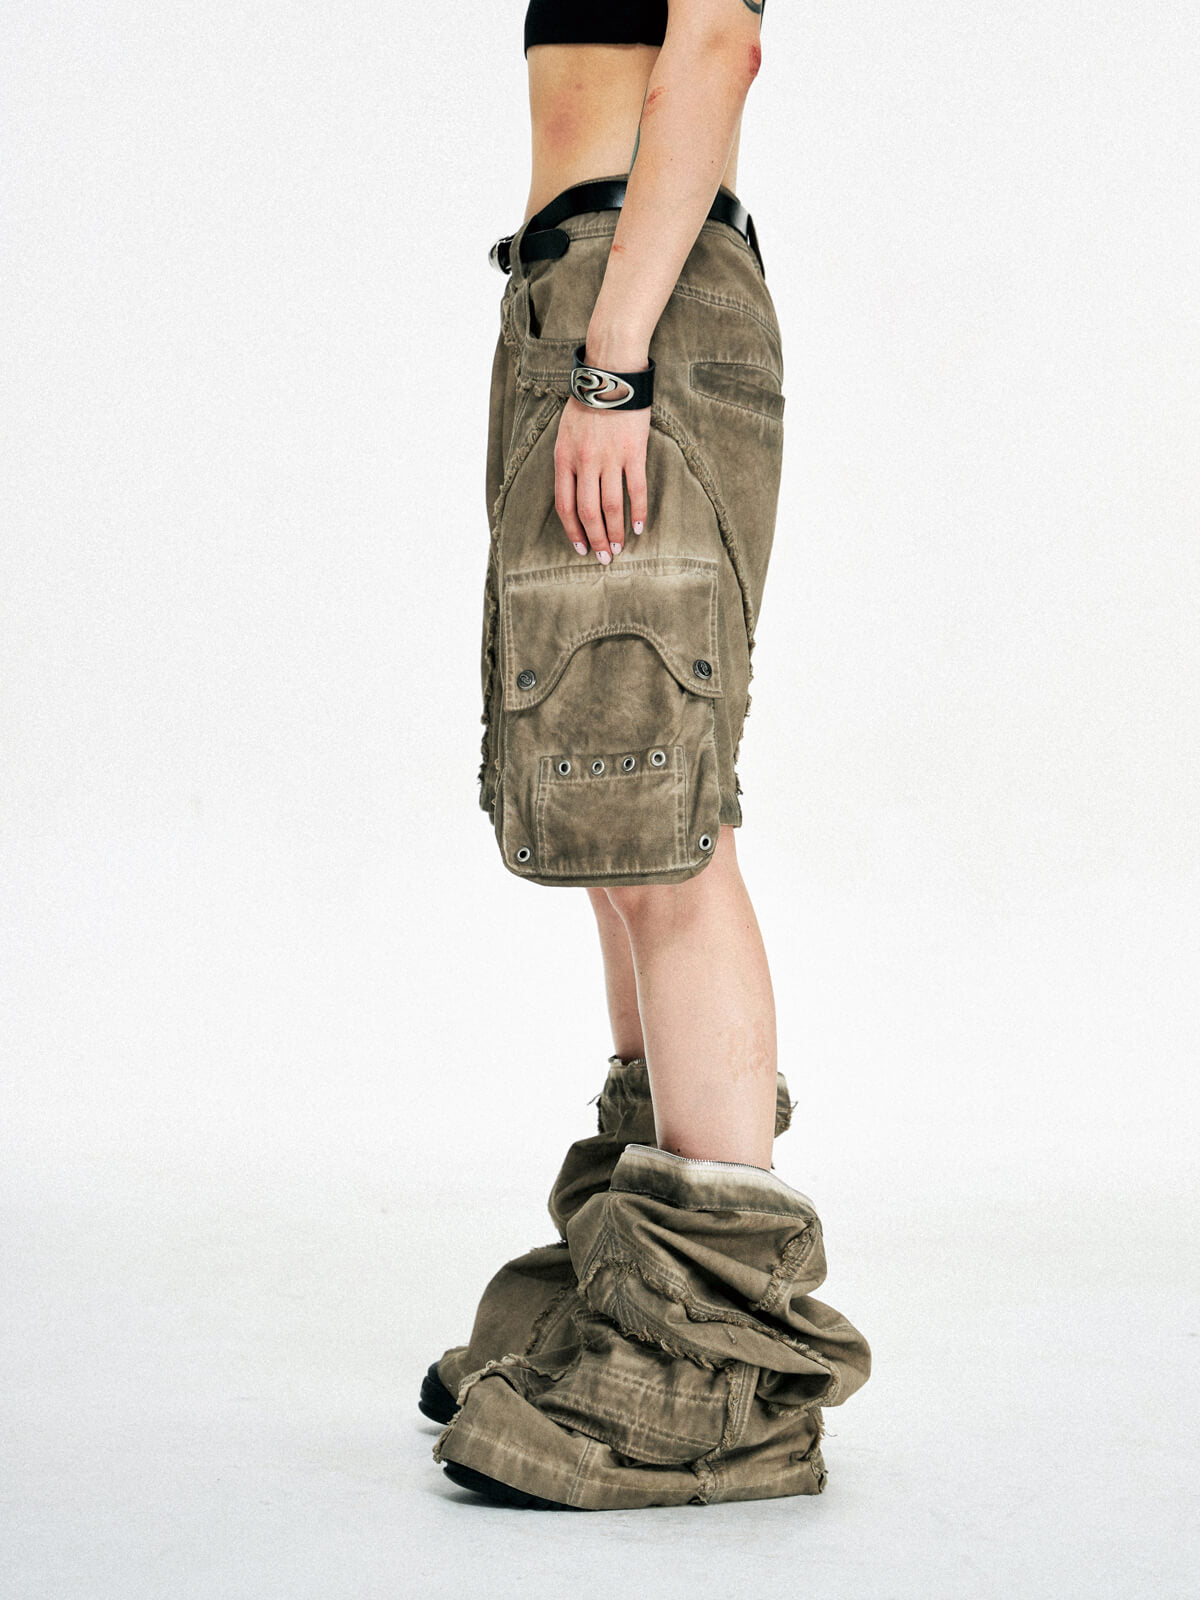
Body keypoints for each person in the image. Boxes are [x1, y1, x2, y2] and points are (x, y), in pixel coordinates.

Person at [422, 0, 872, 1510]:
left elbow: (718, 47)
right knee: (614, 829)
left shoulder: (630, 335)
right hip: (589, 293)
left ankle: (717, 1361)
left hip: (641, 307)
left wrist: (614, 363)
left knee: (669, 828)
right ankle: (637, 1275)